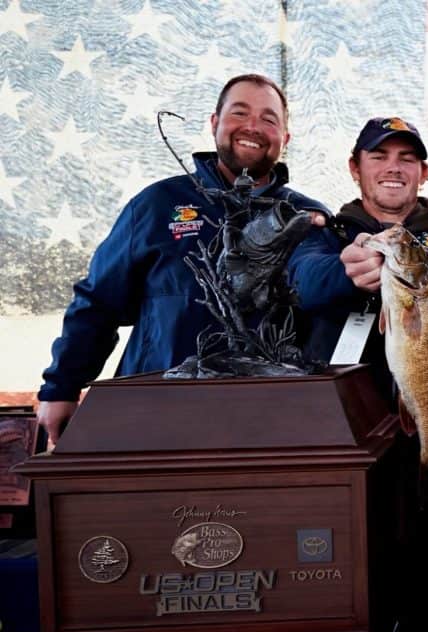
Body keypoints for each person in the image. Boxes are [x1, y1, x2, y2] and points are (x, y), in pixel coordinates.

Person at [37, 73, 330, 445]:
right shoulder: (157, 204)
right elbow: (98, 302)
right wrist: (61, 387)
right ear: (214, 124)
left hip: (269, 424)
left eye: (269, 119)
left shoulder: (308, 216)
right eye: (239, 113)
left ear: (285, 138)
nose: (253, 127)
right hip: (153, 416)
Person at [286, 117, 428, 632]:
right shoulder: (324, 234)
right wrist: (344, 272)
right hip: (349, 459)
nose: (393, 168)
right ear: (356, 169)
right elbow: (304, 282)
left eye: (406, 158)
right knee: (352, 618)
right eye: (379, 157)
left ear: (423, 172)